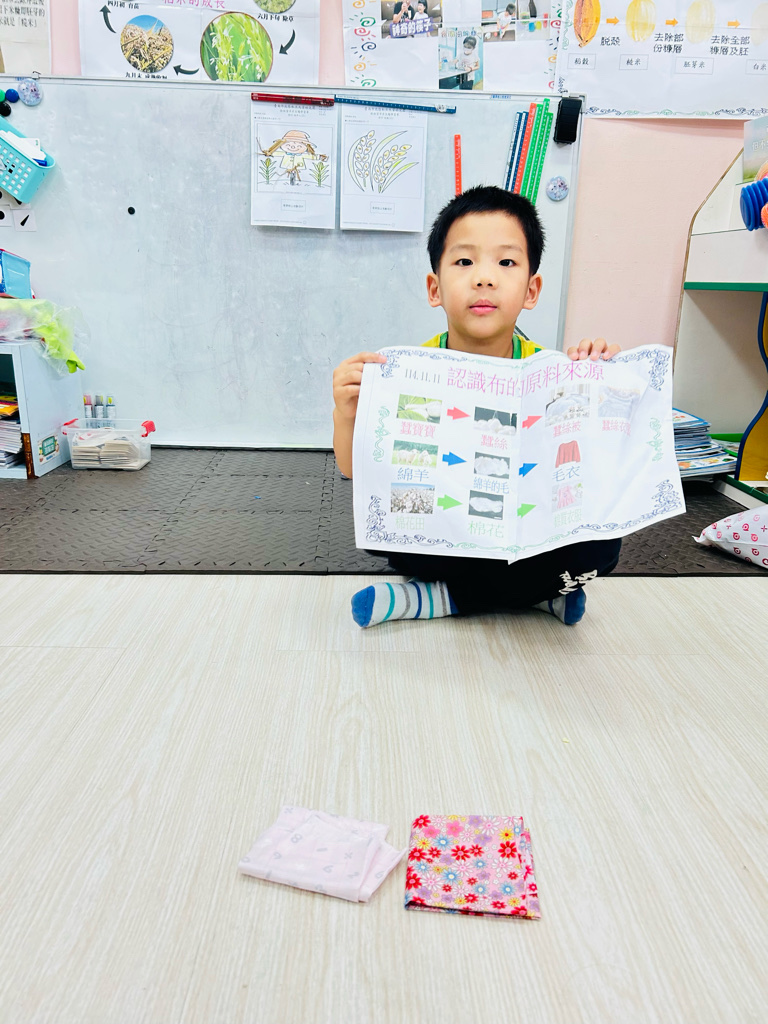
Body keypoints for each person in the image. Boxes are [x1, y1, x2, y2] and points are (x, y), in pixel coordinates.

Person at [332, 186, 622, 629]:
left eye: (506, 263)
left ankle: (439, 598)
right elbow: (354, 469)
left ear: (531, 290)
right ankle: (538, 594)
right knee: (385, 525)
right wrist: (347, 412)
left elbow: (587, 475)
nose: (484, 278)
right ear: (435, 288)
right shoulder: (410, 373)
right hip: (451, 532)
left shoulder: (553, 374)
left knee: (603, 546)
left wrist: (601, 383)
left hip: (522, 530)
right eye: (464, 261)